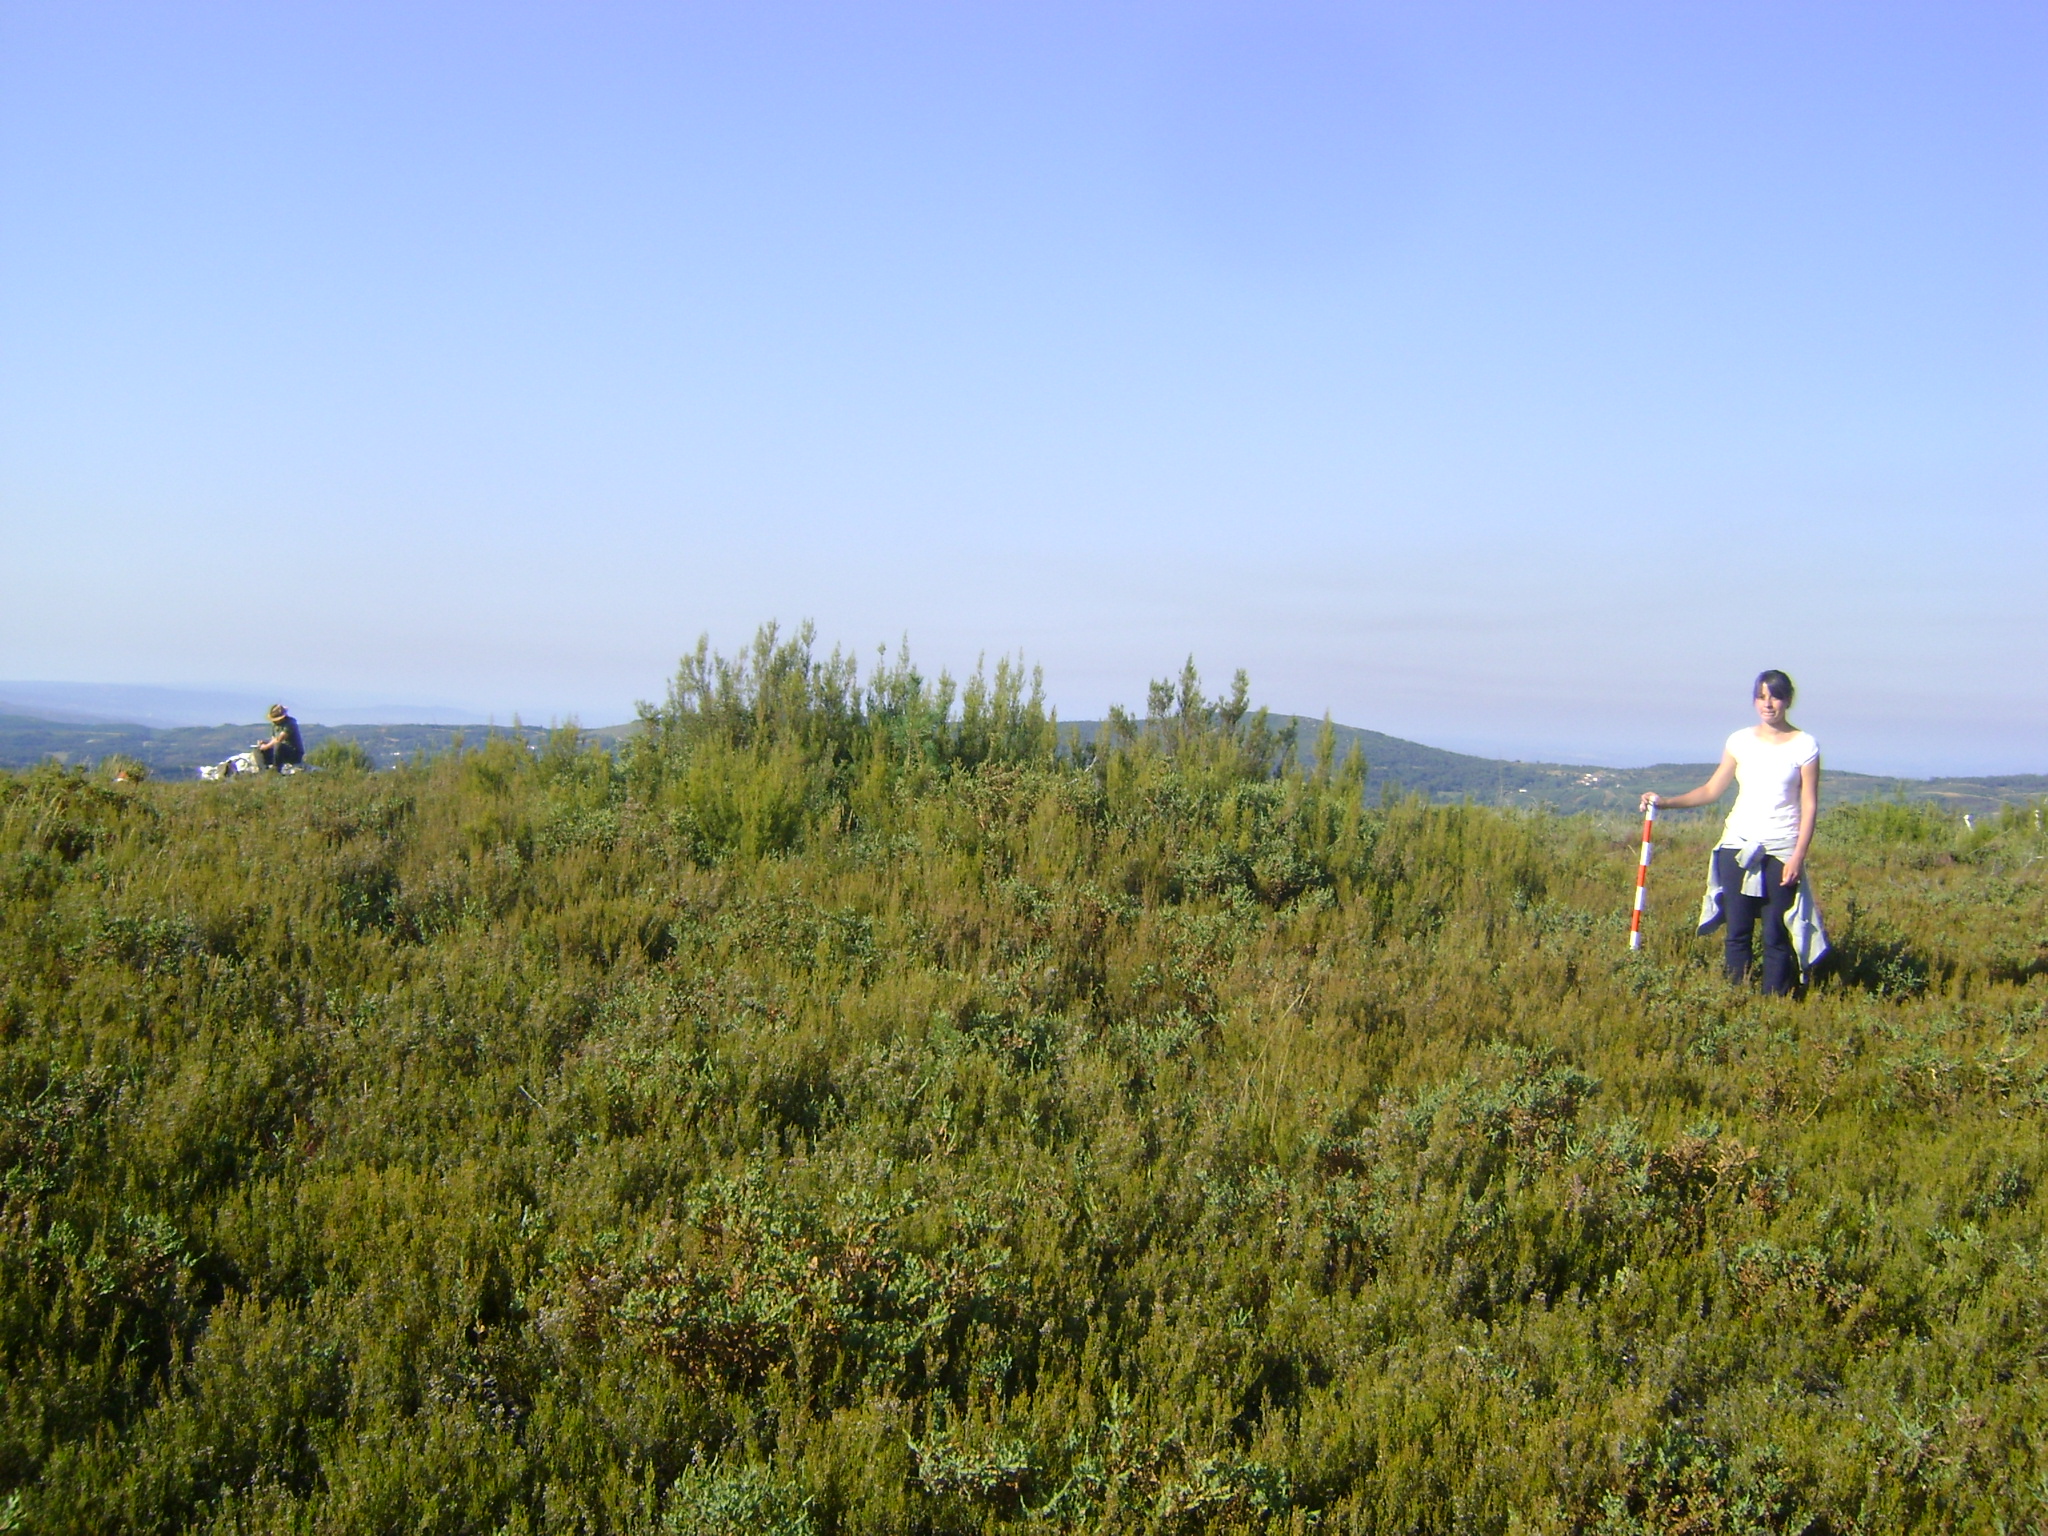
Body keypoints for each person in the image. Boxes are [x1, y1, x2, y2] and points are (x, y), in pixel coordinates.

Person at [1639, 670, 1825, 995]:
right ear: (1754, 700)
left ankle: (1775, 1005)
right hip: (1736, 845)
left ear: (1788, 700)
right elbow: (1712, 790)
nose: (1768, 704)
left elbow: (1809, 805)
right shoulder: (1739, 741)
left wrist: (1798, 856)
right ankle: (1734, 1000)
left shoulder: (1805, 745)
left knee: (1775, 934)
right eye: (1762, 696)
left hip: (1780, 849)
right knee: (1737, 930)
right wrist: (1665, 802)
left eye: (1775, 696)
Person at [256, 704, 304, 771]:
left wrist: (266, 746)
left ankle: (276, 768)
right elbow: (273, 739)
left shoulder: (290, 724)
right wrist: (264, 743)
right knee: (258, 749)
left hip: (293, 753)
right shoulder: (275, 725)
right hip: (278, 751)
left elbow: (279, 739)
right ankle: (263, 769)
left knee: (278, 746)